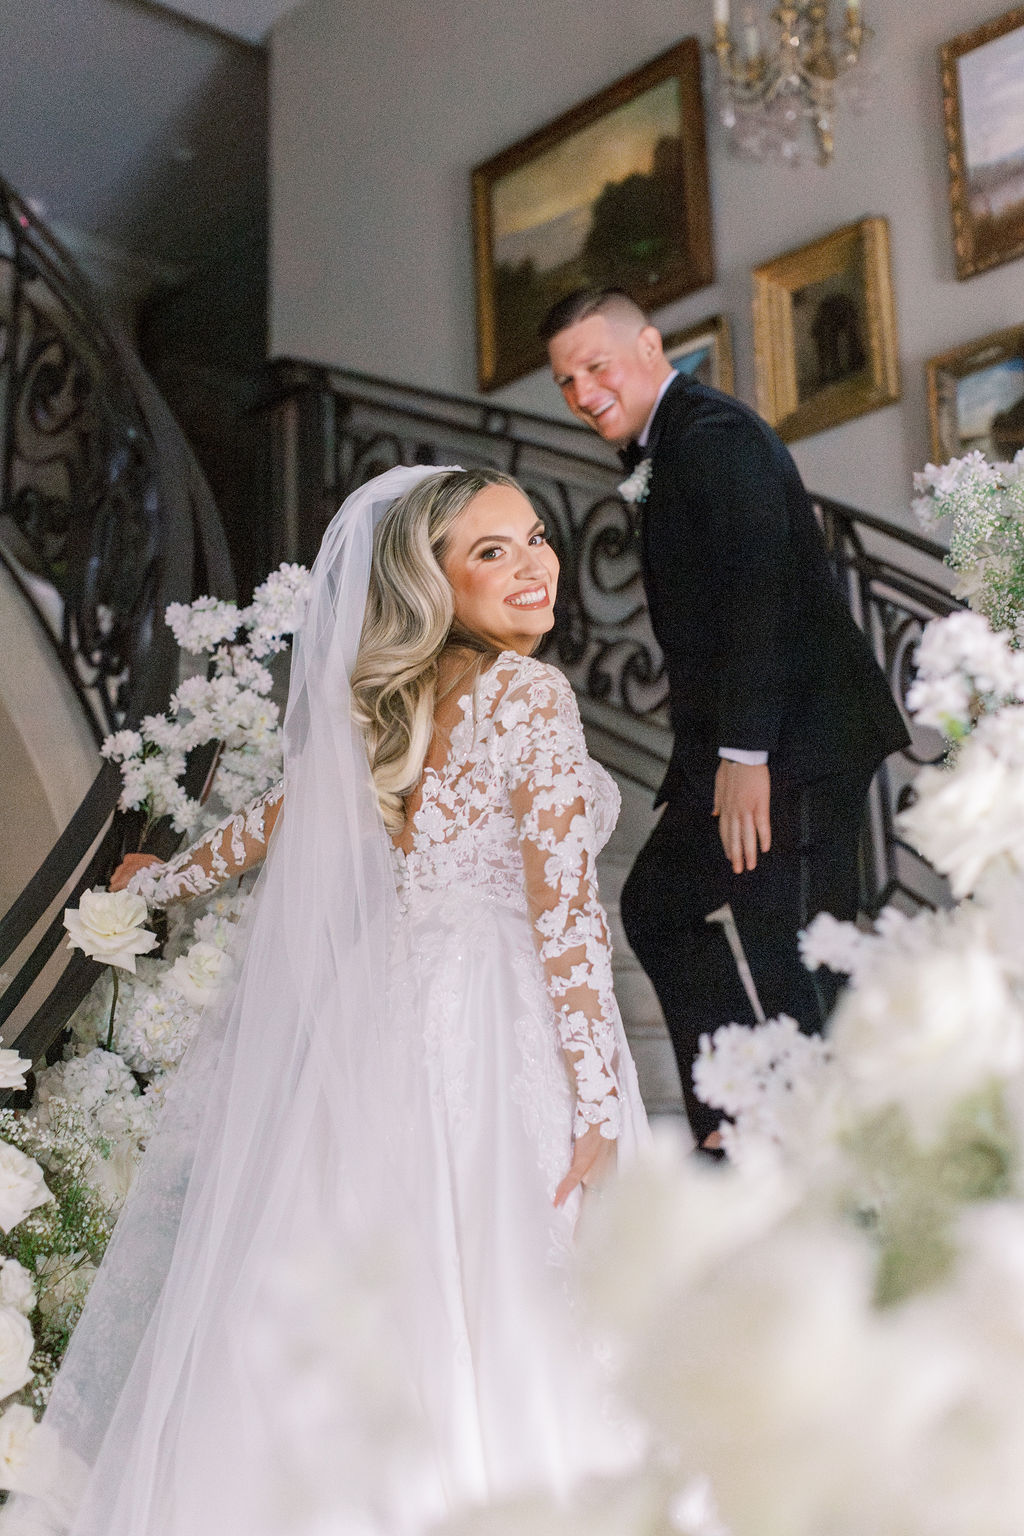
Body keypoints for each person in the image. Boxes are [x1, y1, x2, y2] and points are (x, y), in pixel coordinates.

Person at [6, 465, 649, 1536]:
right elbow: (563, 908)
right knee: (500, 1280)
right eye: (492, 550)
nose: (535, 562)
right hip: (493, 1018)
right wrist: (591, 1096)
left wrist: (160, 881)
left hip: (384, 1014)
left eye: (535, 537)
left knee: (368, 1275)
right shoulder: (528, 694)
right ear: (430, 578)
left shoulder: (392, 703)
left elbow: (273, 826)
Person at [542, 288, 909, 1151]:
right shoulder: (669, 445)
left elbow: (761, 597)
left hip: (796, 743)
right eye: (565, 381)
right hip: (752, 743)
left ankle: (837, 1167)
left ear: (648, 344)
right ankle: (745, 1111)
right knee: (664, 905)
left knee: (795, 958)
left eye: (596, 366)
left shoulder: (713, 437)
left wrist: (747, 757)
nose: (584, 390)